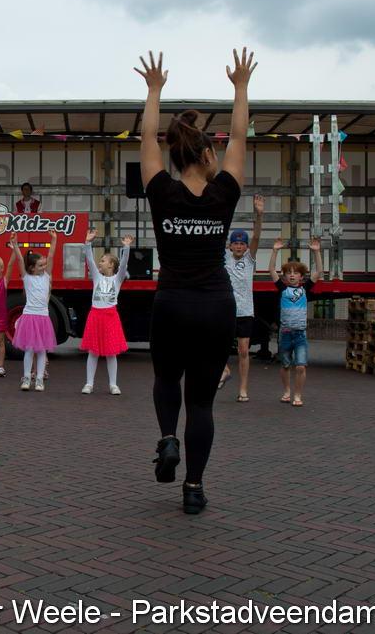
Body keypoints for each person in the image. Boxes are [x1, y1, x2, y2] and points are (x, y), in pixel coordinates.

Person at [135, 46, 256, 514]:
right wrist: (241, 87)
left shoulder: (162, 192)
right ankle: (193, 488)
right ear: (207, 154)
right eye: (215, 151)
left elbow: (147, 138)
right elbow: (240, 137)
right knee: (201, 404)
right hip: (214, 306)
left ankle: (168, 438)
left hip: (171, 304)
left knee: (166, 379)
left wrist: (154, 90)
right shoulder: (224, 193)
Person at [219, 195, 264, 401]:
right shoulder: (224, 258)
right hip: (227, 309)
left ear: (245, 247)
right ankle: (225, 370)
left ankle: (243, 389)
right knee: (218, 345)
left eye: (242, 244)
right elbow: (217, 235)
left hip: (245, 311)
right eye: (235, 243)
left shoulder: (249, 259)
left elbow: (256, 237)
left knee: (243, 351)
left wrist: (259, 215)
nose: (238, 246)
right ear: (230, 246)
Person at [270, 237, 322, 407]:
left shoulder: (305, 289)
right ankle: (287, 391)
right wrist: (275, 250)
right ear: (285, 276)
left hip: (300, 334)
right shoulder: (282, 289)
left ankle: (298, 395)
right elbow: (271, 270)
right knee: (285, 365)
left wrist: (316, 252)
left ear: (301, 276)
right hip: (285, 333)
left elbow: (318, 271)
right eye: (289, 272)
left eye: (295, 272)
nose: (292, 275)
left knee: (300, 366)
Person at [80, 228, 132, 395]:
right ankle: (89, 383)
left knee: (111, 353)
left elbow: (123, 265)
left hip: (110, 316)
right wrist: (88, 243)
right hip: (95, 315)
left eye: (103, 260)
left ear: (111, 265)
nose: (99, 263)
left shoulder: (117, 279)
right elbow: (89, 260)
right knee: (93, 352)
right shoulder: (97, 277)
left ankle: (113, 385)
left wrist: (126, 248)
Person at [9, 231, 57, 392]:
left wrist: (54, 239)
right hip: (29, 317)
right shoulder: (27, 278)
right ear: (31, 268)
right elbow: (20, 260)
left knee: (42, 350)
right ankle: (26, 378)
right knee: (29, 350)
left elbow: (51, 256)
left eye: (44, 265)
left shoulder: (47, 277)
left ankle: (39, 379)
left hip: (43, 317)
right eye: (40, 265)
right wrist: (15, 245)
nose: (44, 267)